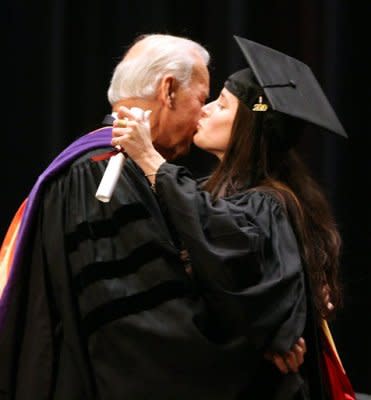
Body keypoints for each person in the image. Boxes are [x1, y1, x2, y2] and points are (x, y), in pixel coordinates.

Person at [0, 33, 305, 399]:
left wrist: (268, 323)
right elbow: (144, 327)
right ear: (168, 91)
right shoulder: (102, 174)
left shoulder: (123, 171)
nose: (201, 113)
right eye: (199, 98)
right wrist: (256, 348)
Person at [111, 36, 356, 399]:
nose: (204, 110)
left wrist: (151, 160)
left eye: (221, 106)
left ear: (248, 126)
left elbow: (233, 266)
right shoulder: (216, 192)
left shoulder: (269, 204)